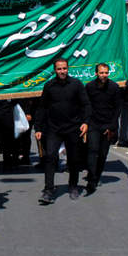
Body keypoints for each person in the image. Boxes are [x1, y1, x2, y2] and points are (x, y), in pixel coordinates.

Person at [35, 58, 91, 203]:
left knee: (74, 159)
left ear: (68, 68)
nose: (62, 71)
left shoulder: (76, 84)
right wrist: (38, 127)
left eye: (64, 68)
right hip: (53, 128)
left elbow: (86, 104)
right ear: (55, 70)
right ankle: (48, 190)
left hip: (73, 128)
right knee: (50, 157)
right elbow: (42, 107)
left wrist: (85, 122)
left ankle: (73, 186)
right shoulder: (49, 86)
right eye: (59, 69)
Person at [84, 63, 121, 194]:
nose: (104, 75)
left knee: (103, 154)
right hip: (93, 124)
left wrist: (112, 126)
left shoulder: (114, 87)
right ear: (96, 73)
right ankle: (91, 179)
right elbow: (86, 105)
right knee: (92, 150)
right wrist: (85, 122)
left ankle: (96, 176)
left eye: (106, 73)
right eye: (101, 73)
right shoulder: (89, 87)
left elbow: (117, 108)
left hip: (107, 125)